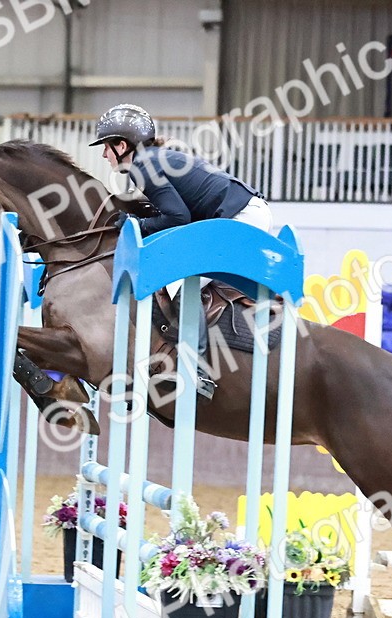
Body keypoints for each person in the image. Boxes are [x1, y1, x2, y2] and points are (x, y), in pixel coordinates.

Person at [90, 103, 272, 403]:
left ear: (122, 145)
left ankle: (195, 368)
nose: (103, 154)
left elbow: (177, 219)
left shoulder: (143, 166)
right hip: (240, 213)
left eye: (106, 147)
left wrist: (135, 223)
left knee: (180, 282)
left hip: (242, 217)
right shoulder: (151, 160)